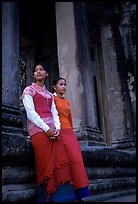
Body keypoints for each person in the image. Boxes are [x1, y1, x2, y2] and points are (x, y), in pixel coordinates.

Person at [22, 63, 77, 202]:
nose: (38, 72)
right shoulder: (29, 90)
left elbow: (54, 113)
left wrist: (57, 128)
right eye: (36, 70)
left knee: (61, 162)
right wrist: (46, 129)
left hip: (54, 132)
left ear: (46, 74)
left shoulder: (49, 95)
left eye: (41, 70)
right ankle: (47, 198)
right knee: (46, 165)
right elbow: (30, 113)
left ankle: (62, 198)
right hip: (39, 132)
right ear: (34, 74)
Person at [52, 77, 90, 201]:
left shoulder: (66, 101)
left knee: (77, 160)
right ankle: (68, 193)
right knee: (65, 162)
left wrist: (72, 132)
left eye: (65, 84)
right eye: (61, 84)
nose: (64, 87)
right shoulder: (52, 99)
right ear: (54, 87)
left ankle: (80, 193)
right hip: (59, 131)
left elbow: (69, 118)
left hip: (69, 132)